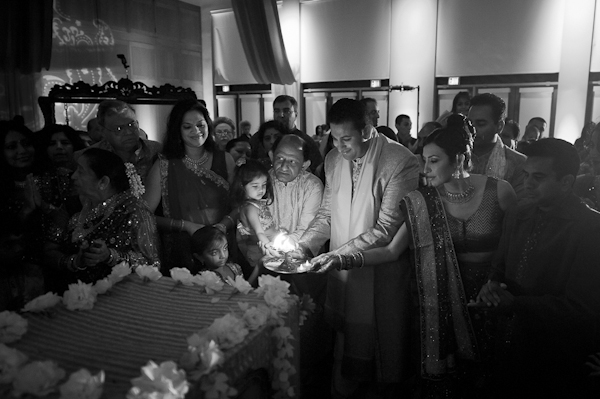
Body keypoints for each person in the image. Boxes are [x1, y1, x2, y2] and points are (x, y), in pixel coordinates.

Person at [315, 114, 517, 397]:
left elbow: (515, 246)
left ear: (459, 159)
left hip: (491, 296)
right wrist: (340, 259)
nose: (425, 169)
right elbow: (390, 250)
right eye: (424, 160)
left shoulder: (500, 192)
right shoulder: (422, 201)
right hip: (443, 301)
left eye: (434, 161)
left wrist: (496, 282)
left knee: (493, 377)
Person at [298, 98, 421, 397]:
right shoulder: (332, 160)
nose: (339, 147)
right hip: (341, 265)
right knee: (344, 343)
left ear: (366, 129)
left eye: (346, 139)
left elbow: (386, 228)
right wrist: (304, 246)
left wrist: (337, 256)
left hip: (382, 269)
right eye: (334, 138)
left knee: (381, 350)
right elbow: (327, 214)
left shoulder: (398, 160)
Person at [475, 138, 600, 398]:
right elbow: (499, 268)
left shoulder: (589, 228)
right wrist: (491, 287)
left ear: (566, 182)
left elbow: (582, 307)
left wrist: (516, 304)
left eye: (539, 177)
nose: (528, 183)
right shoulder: (519, 213)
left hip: (556, 352)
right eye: (526, 175)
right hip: (508, 342)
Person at [43, 148, 160, 292]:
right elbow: (48, 251)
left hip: (121, 293)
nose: (73, 176)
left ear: (103, 181)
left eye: (81, 171)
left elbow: (151, 265)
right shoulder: (71, 206)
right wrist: (75, 261)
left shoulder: (134, 211)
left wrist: (110, 256)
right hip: (71, 293)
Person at [144, 99, 236, 273]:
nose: (196, 131)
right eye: (187, 127)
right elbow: (144, 215)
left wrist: (223, 225)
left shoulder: (225, 160)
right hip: (183, 251)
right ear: (177, 130)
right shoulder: (164, 166)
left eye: (201, 125)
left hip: (222, 248)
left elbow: (240, 205)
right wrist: (185, 226)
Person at [0, 120, 44, 310]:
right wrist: (26, 210)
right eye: (11, 147)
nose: (21, 151)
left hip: (52, 264)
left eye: (26, 143)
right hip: (10, 274)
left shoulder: (52, 177)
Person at [75, 100, 162, 184]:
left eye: (131, 125)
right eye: (119, 129)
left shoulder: (157, 151)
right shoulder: (89, 158)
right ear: (103, 131)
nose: (128, 132)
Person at [468, 93, 527, 198]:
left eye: (480, 124)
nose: (472, 130)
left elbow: (520, 207)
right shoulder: (455, 157)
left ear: (499, 126)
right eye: (469, 124)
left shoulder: (518, 163)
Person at [230, 160, 276, 284]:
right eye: (255, 186)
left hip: (265, 247)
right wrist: (269, 246)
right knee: (261, 281)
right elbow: (259, 232)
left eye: (264, 185)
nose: (261, 190)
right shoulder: (250, 208)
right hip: (259, 251)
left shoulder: (258, 203)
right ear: (242, 186)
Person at [251, 95, 323, 174]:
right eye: (277, 111)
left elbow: (317, 169)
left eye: (286, 111)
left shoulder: (305, 140)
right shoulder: (259, 137)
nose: (281, 115)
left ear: (295, 114)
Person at [35, 124, 86, 214]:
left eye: (65, 143)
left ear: (75, 145)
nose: (59, 147)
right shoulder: (38, 180)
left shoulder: (87, 174)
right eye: (52, 144)